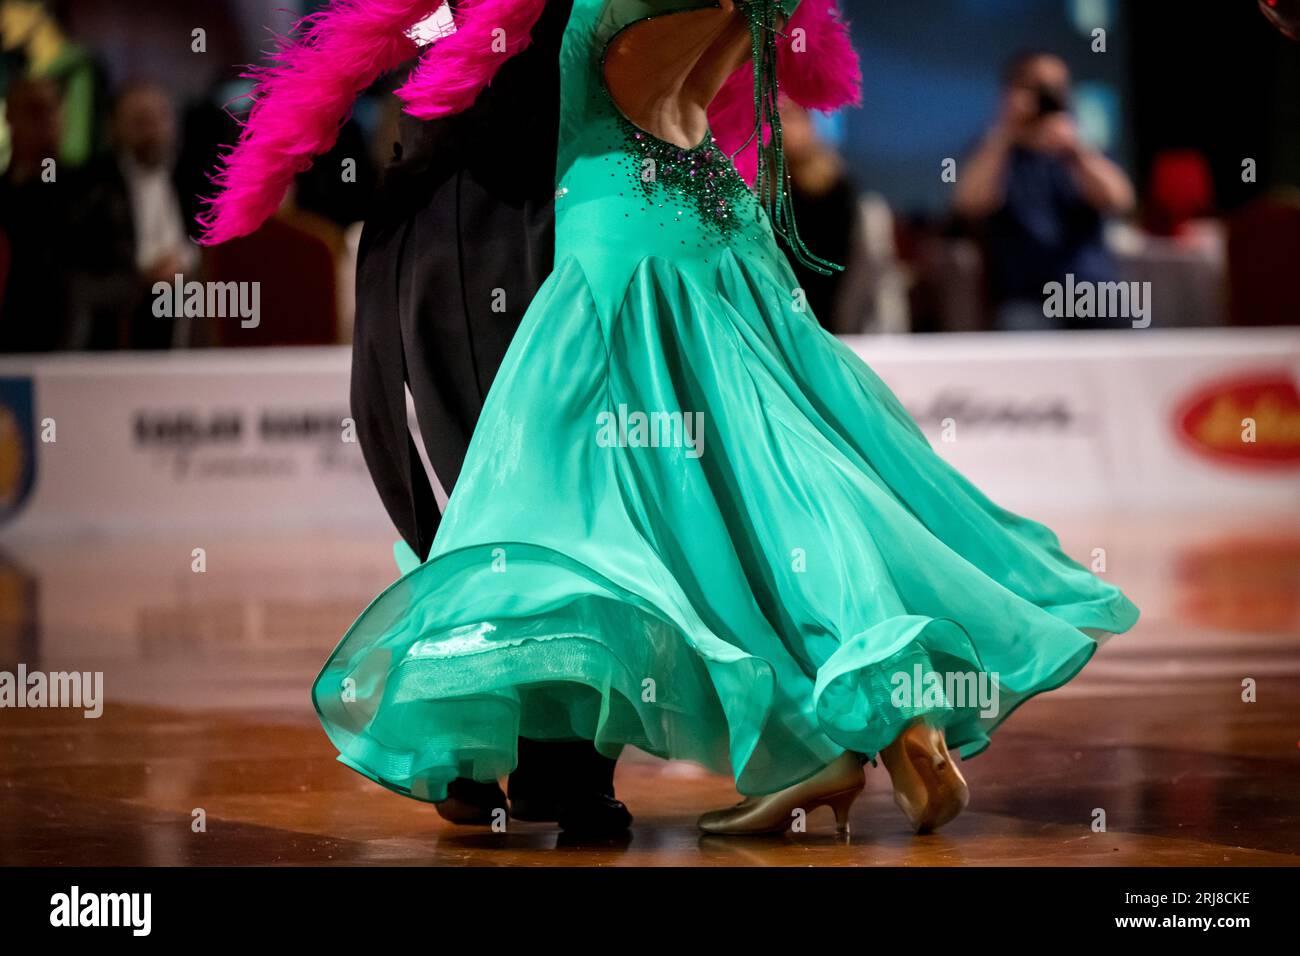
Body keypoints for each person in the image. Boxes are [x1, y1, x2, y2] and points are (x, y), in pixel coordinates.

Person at [203, 0, 1138, 838]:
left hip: (592, 234)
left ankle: (536, 749)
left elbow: (449, 46)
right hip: (691, 216)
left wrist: (428, 37)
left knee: (535, 502)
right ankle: (854, 701)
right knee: (772, 471)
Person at [953, 51, 1135, 331]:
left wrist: (1077, 150)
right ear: (1011, 92)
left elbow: (1120, 199)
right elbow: (969, 204)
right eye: (1039, 88)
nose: (1049, 97)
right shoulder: (993, 151)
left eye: (1058, 88)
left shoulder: (1082, 150)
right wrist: (1006, 132)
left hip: (1093, 292)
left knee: (1139, 339)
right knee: (1022, 337)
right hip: (1027, 298)